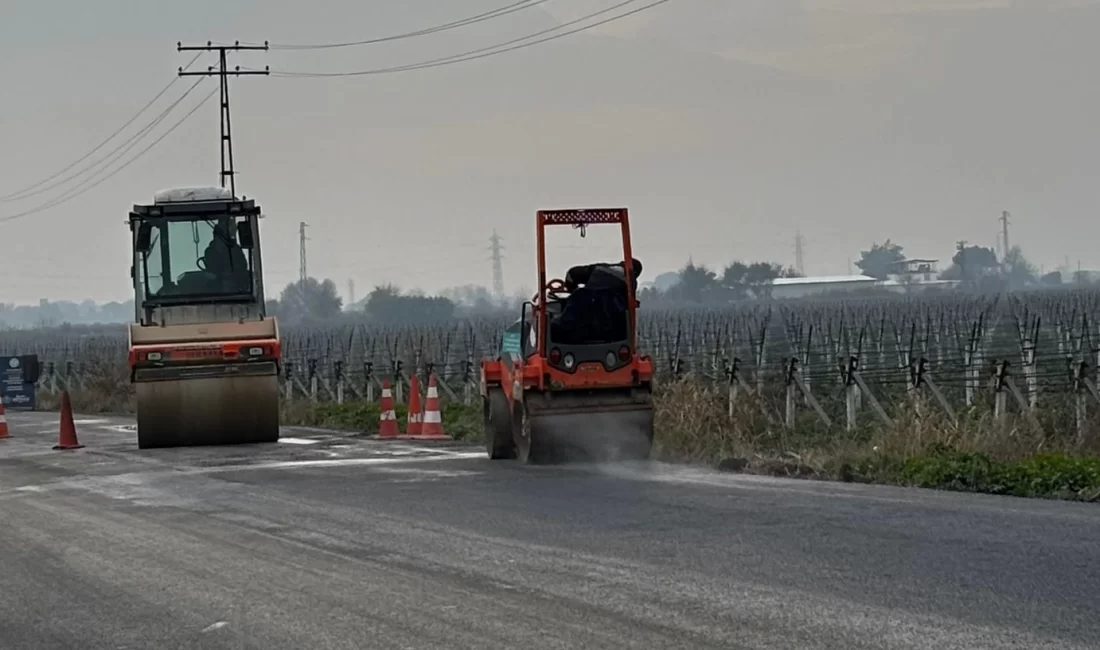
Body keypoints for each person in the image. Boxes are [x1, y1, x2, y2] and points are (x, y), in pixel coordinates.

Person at [202, 222, 250, 292]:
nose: (232, 235)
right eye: (229, 233)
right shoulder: (210, 251)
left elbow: (243, 267)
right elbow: (211, 273)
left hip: (237, 287)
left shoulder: (236, 249)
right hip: (219, 288)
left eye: (233, 232)